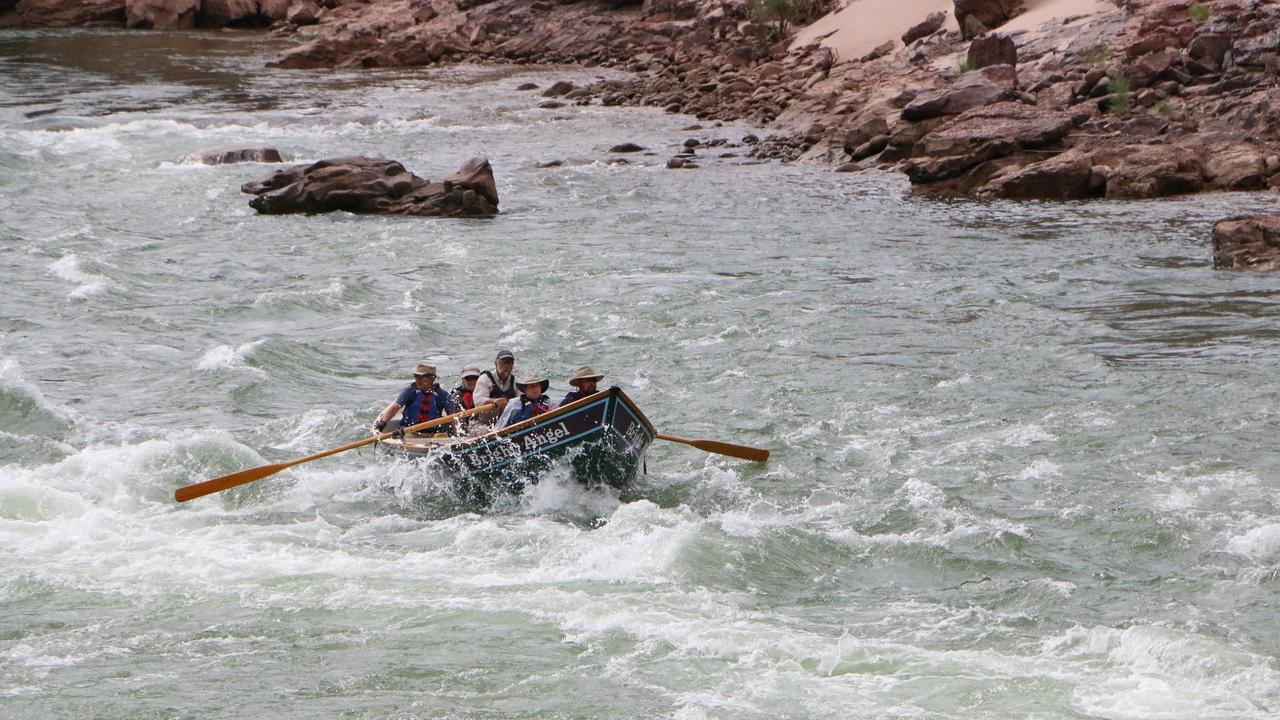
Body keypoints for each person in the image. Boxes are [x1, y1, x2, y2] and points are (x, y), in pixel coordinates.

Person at [372, 363, 459, 434]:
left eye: (420, 377)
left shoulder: (442, 395)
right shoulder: (410, 391)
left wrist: (457, 435)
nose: (417, 380)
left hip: (433, 434)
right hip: (409, 432)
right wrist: (383, 422)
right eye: (416, 376)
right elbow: (395, 407)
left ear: (431, 378)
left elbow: (453, 418)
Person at [472, 349, 517, 416]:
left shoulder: (516, 382)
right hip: (484, 421)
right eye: (503, 362)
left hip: (507, 419)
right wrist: (494, 401)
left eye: (510, 362)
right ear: (496, 364)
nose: (507, 366)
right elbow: (478, 401)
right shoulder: (485, 379)